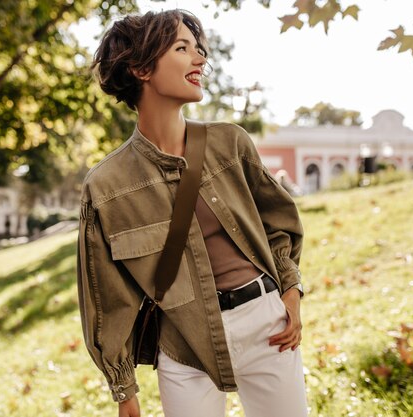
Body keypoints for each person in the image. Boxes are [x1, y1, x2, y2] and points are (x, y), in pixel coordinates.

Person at [77, 9, 308, 417]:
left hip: (268, 326)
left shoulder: (230, 143)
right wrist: (124, 389)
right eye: (183, 48)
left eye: (199, 49)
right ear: (141, 68)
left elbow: (280, 224)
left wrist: (289, 294)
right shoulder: (106, 187)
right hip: (183, 344)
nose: (201, 58)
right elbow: (107, 298)